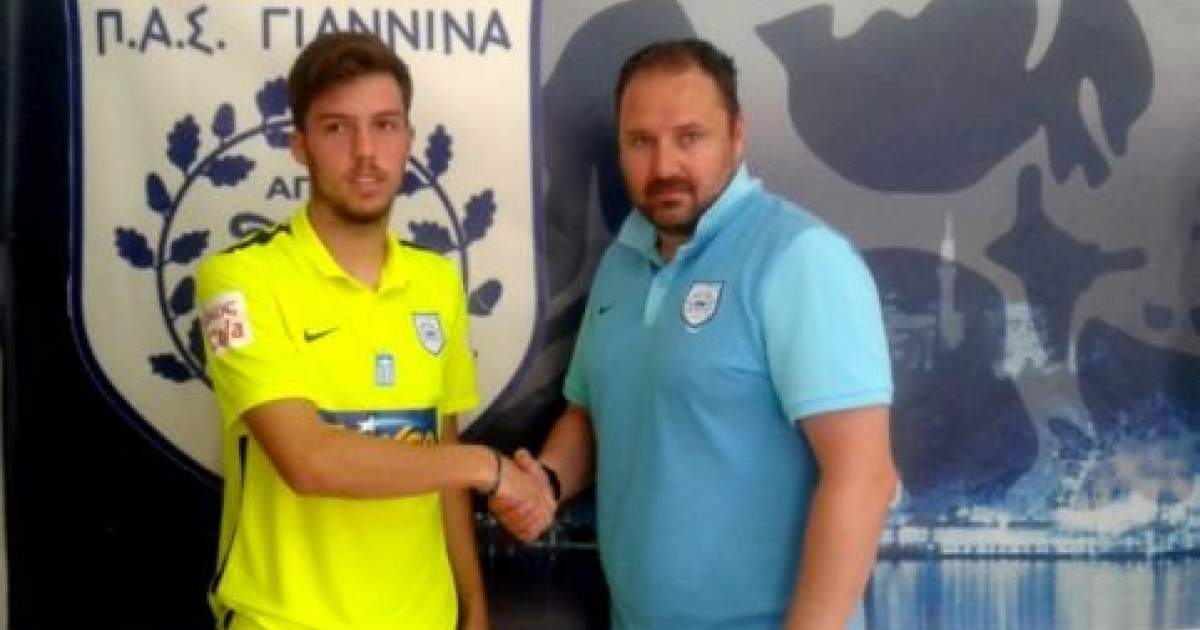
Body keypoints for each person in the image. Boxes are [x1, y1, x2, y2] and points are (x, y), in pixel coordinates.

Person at [494, 38, 898, 630]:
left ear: (737, 134)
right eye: (641, 142)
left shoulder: (799, 258)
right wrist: (549, 479)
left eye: (690, 137)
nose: (664, 167)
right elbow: (592, 413)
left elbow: (863, 477)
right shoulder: (621, 263)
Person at [196, 31, 553, 630]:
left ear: (408, 139)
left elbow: (441, 461)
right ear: (300, 146)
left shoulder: (436, 281)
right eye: (337, 128)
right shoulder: (238, 280)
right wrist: (489, 468)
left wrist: (473, 606)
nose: (366, 152)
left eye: (385, 125)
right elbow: (309, 462)